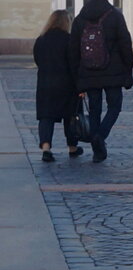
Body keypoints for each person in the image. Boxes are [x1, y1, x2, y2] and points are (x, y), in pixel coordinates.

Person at [69, 0, 133, 163]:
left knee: (95, 110)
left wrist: (77, 76)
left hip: (88, 73)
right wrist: (128, 70)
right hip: (113, 73)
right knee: (115, 107)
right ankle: (100, 136)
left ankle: (97, 149)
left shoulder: (80, 19)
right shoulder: (115, 15)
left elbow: (73, 50)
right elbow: (125, 44)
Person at [34, 10, 83, 162]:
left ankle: (46, 148)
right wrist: (81, 86)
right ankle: (72, 148)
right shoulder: (70, 40)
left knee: (46, 117)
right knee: (70, 117)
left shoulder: (41, 40)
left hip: (45, 84)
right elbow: (75, 64)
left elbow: (38, 60)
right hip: (67, 85)